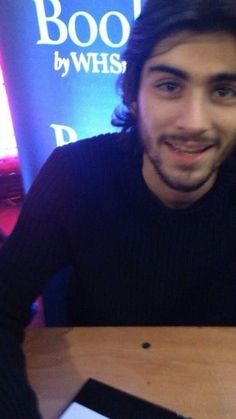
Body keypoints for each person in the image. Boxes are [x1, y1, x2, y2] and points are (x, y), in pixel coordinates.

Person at [1, 0, 236, 416]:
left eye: (224, 91)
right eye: (169, 85)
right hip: (99, 386)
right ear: (131, 92)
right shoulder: (75, 175)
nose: (195, 121)